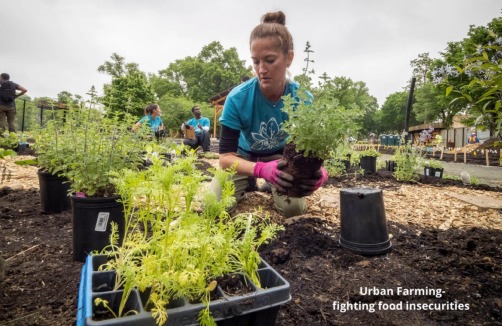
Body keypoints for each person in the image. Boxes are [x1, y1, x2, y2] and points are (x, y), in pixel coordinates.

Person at [210, 11, 328, 218]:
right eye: (255, 62)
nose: (261, 69)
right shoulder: (237, 98)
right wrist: (260, 169)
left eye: (270, 60)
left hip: (282, 160)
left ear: (289, 58)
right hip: (243, 157)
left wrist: (320, 172)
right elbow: (225, 158)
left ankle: (269, 185)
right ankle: (250, 179)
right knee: (214, 206)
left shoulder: (303, 99)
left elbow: (311, 151)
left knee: (294, 210)